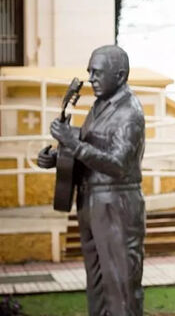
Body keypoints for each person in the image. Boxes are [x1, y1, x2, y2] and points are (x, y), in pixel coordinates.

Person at [38, 45, 145, 316]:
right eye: (89, 71)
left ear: (120, 76)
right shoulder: (99, 106)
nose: (91, 78)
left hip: (116, 204)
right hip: (91, 202)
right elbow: (89, 152)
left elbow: (119, 165)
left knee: (120, 284)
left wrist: (73, 144)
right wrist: (58, 158)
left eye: (97, 72)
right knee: (97, 285)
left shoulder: (129, 112)